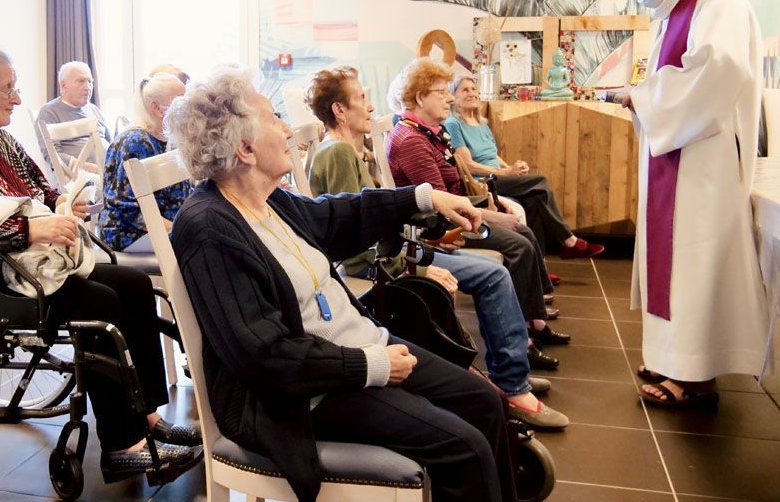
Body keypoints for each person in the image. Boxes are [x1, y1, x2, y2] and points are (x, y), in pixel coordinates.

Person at [168, 69, 520, 502]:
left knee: (486, 404)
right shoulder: (208, 229)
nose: (286, 127)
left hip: (358, 351)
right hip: (307, 395)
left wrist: (424, 198)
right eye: (274, 118)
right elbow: (265, 356)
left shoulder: (268, 199)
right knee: (464, 448)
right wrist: (372, 366)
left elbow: (336, 216)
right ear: (245, 149)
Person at [0, 41, 200, 482]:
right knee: (98, 302)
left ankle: (147, 417)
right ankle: (122, 445)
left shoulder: (3, 142)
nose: (18, 98)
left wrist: (66, 205)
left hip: (34, 263)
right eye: (7, 88)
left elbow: (44, 192)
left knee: (134, 285)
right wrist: (29, 231)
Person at [306, 66, 568, 429]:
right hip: (380, 268)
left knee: (495, 269)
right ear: (339, 109)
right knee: (493, 275)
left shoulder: (351, 152)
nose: (370, 107)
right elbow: (356, 252)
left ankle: (510, 378)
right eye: (362, 98)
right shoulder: (337, 155)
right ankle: (512, 387)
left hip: (400, 254)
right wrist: (425, 264)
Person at [620, 0, 769, 407]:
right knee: (677, 265)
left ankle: (696, 378)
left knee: (696, 262)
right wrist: (646, 99)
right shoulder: (674, 9)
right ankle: (673, 358)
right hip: (679, 153)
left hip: (703, 159)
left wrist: (642, 97)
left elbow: (718, 70)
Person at [386, 57, 571, 359]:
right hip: (444, 229)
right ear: (420, 97)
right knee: (518, 245)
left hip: (457, 215)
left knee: (524, 232)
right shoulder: (412, 141)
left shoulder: (426, 133)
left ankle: (535, 323)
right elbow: (443, 207)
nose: (449, 98)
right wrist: (492, 215)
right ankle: (524, 336)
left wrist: (489, 208)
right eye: (442, 91)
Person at [447, 74, 605, 259]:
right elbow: (468, 165)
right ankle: (568, 240)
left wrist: (514, 168)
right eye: (465, 90)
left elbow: (492, 155)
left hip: (499, 175)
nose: (471, 93)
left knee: (535, 197)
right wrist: (505, 172)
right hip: (481, 181)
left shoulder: (482, 123)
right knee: (541, 181)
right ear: (454, 96)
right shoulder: (453, 123)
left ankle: (540, 268)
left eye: (473, 89)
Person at [99, 73, 190, 251]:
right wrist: (179, 230)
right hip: (129, 234)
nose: (189, 107)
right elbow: (127, 210)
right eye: (181, 100)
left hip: (164, 226)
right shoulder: (135, 142)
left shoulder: (170, 138)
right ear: (156, 107)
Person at [36, 61, 112, 174]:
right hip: (77, 177)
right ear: (63, 85)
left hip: (107, 173)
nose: (88, 87)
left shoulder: (94, 109)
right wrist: (90, 168)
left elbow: (110, 143)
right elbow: (52, 155)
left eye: (90, 82)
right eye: (81, 81)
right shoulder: (49, 112)